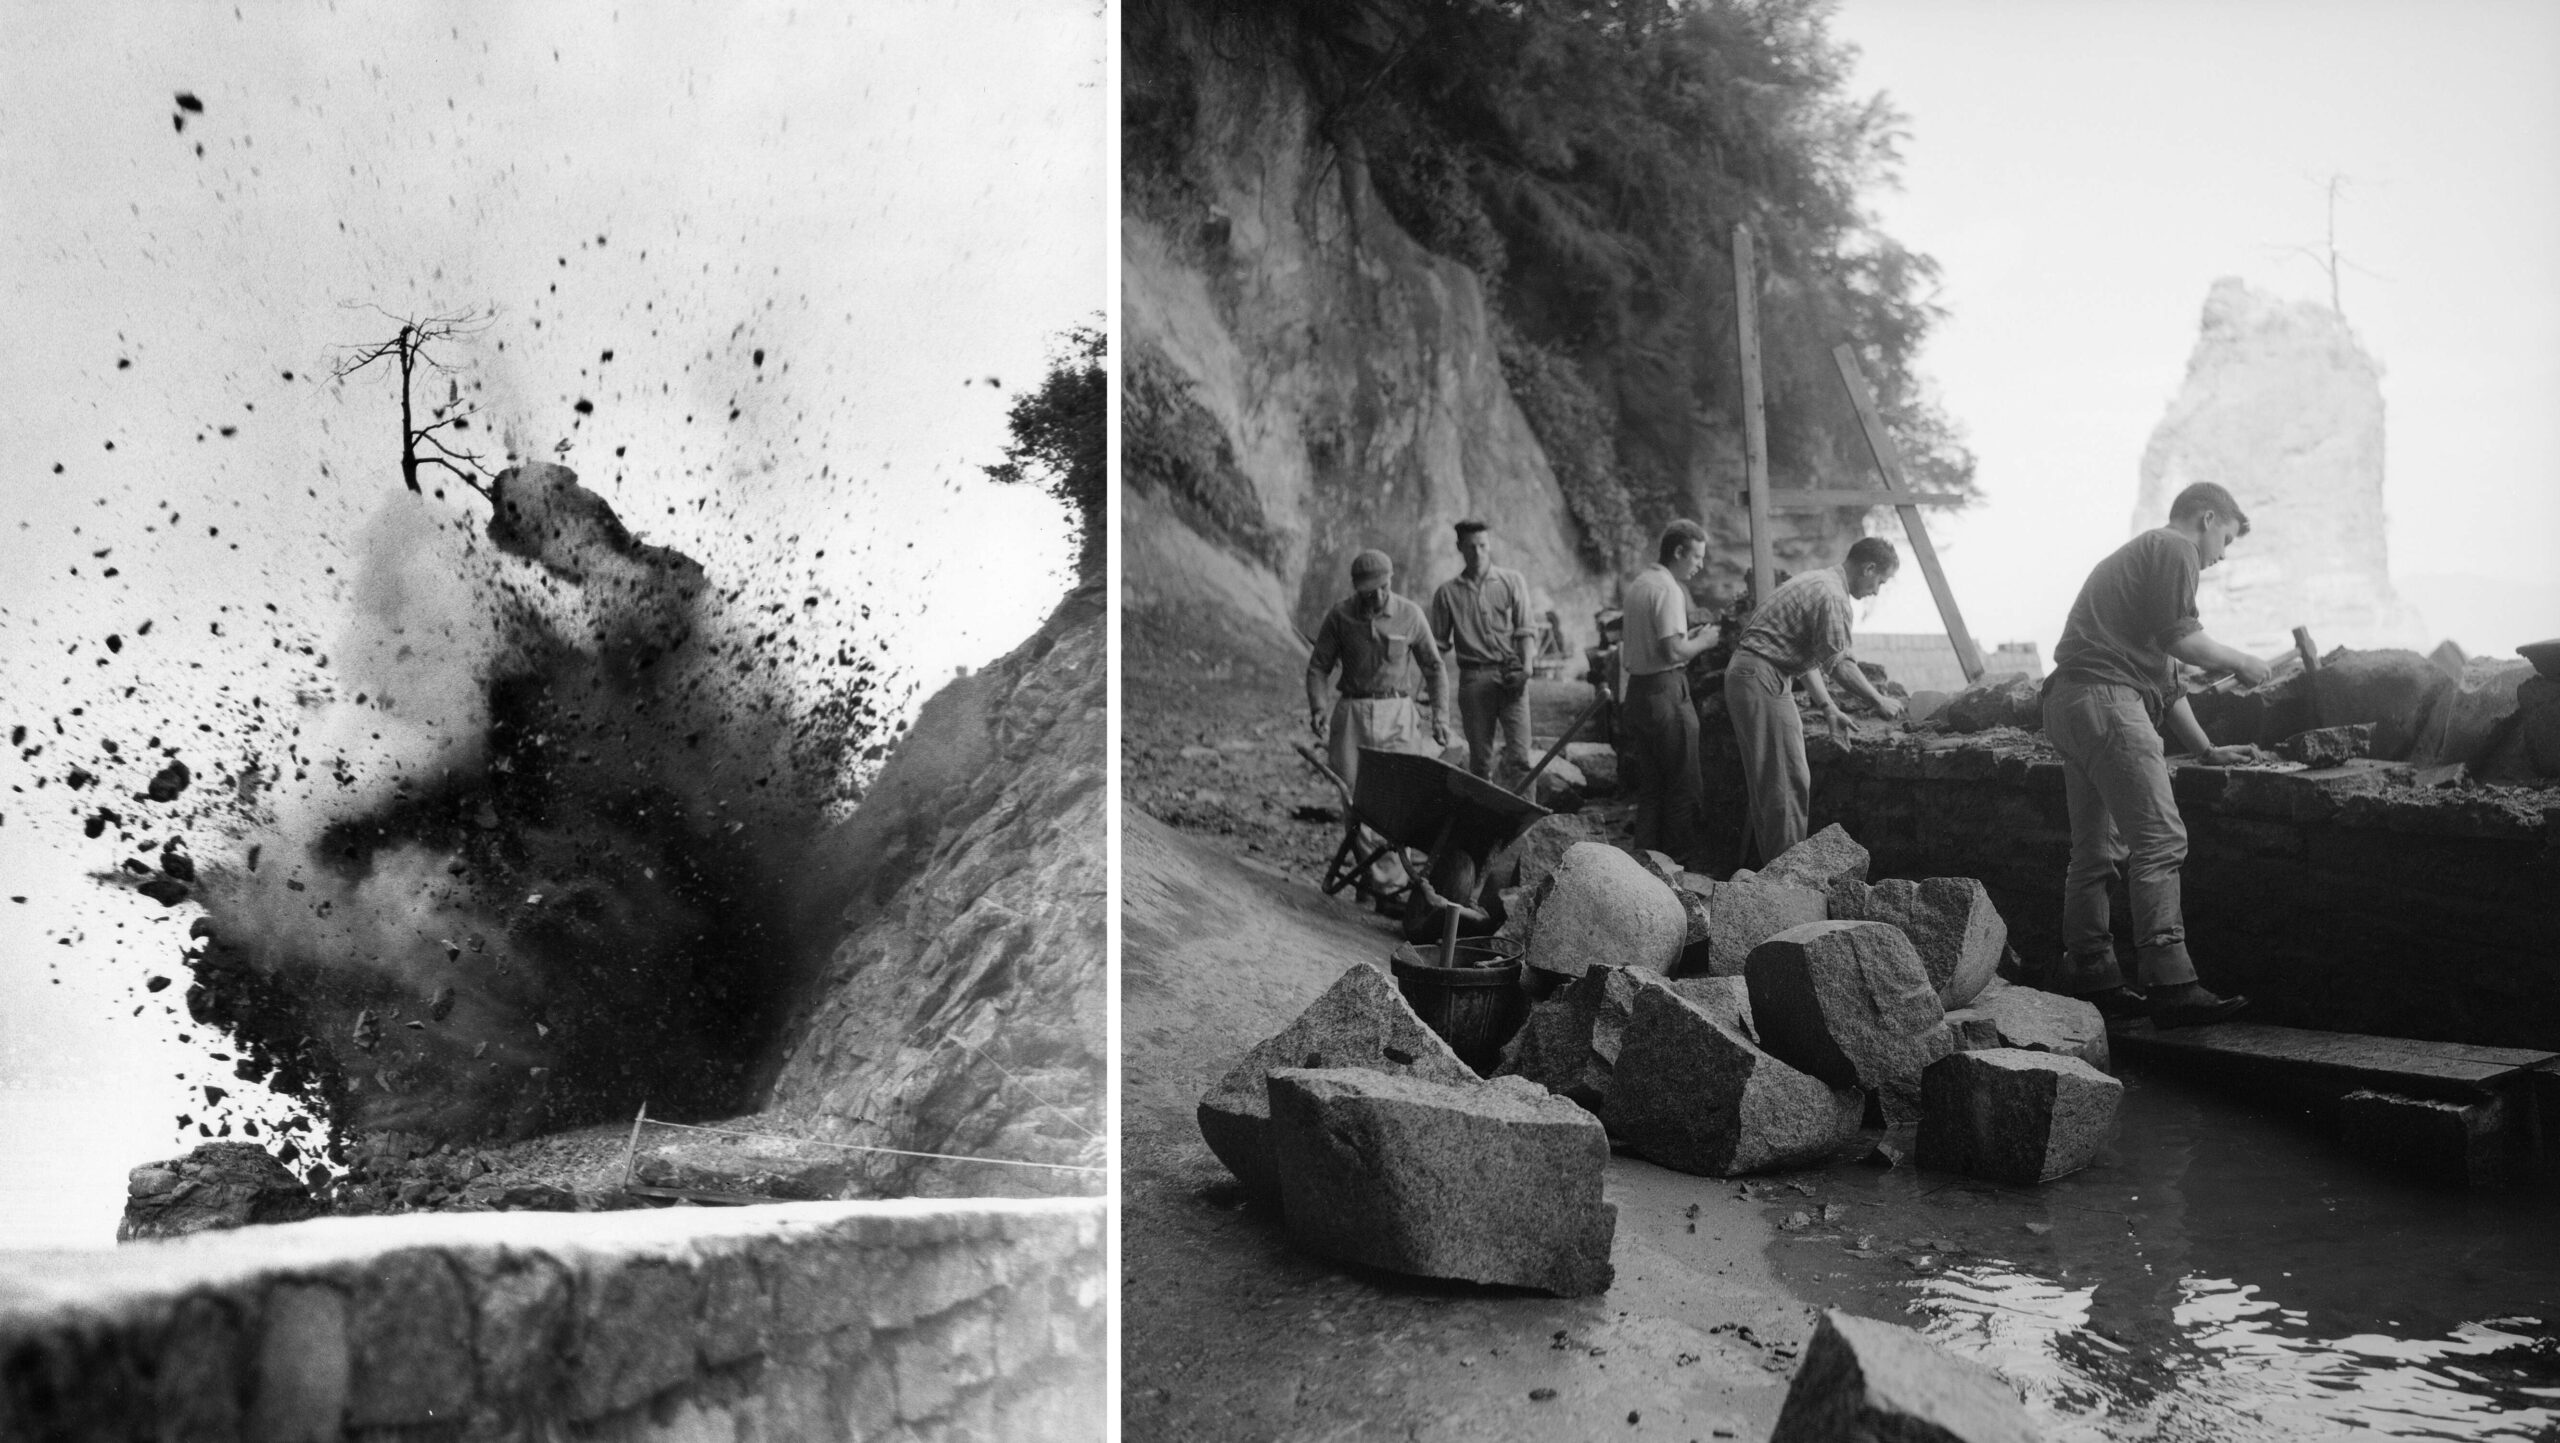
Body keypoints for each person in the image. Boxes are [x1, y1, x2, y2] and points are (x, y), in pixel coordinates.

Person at [2043, 481, 2271, 1029]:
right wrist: (2242, 660)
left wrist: (2208, 750)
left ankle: (2092, 974)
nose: (2221, 556)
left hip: (2070, 702)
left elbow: (2167, 686)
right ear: (2208, 518)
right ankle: (2171, 984)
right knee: (2161, 840)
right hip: (2106, 700)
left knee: (2094, 850)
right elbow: (2180, 638)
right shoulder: (2174, 549)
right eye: (2228, 540)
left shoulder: (2141, 565)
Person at [1724, 536, 1907, 865]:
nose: (1877, 590)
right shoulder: (1833, 595)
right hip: (1761, 676)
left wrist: (1828, 708)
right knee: (1785, 783)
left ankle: (1771, 874)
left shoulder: (1817, 580)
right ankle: (1786, 884)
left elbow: (1807, 659)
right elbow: (1839, 665)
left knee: (1781, 779)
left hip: (1757, 675)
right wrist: (1880, 700)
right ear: (1869, 568)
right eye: (1880, 581)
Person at [1306, 549, 1449, 895]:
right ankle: (1378, 882)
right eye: (1370, 591)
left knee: (1399, 797)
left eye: (1384, 587)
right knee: (1355, 798)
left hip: (1398, 713)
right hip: (1352, 714)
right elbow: (1318, 666)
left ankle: (1396, 885)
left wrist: (1441, 717)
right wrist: (1318, 707)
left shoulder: (1410, 615)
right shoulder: (1340, 616)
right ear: (1357, 589)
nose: (1378, 596)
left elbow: (1433, 667)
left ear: (1391, 582)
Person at [1620, 520, 1718, 867]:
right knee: (1683, 783)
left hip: (1638, 692)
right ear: (1678, 552)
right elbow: (1672, 652)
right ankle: (1680, 865)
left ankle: (1643, 863)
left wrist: (1686, 635)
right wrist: (1705, 641)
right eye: (1696, 557)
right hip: (1664, 691)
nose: (1699, 565)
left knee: (1652, 786)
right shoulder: (1668, 589)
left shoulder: (1641, 584)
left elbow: (1655, 640)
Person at [1429, 519, 1538, 786]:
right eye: (1470, 547)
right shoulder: (1447, 593)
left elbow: (1525, 629)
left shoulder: (1511, 581)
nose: (1478, 553)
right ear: (1459, 548)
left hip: (1511, 676)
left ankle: (1525, 825)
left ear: (1489, 545)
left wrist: (1526, 669)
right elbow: (1437, 649)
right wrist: (1427, 690)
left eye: (1483, 545)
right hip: (1474, 680)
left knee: (1520, 758)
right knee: (1480, 761)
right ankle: (1483, 824)